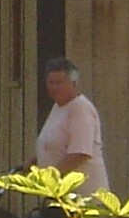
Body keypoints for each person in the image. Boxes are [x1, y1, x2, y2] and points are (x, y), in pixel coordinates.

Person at [35, 56, 109, 194]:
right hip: (61, 195)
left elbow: (80, 154)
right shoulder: (58, 106)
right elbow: (55, 146)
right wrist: (33, 162)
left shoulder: (80, 108)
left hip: (83, 197)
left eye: (59, 83)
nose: (55, 88)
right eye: (51, 83)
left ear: (73, 83)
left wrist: (49, 179)